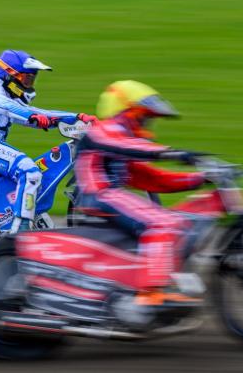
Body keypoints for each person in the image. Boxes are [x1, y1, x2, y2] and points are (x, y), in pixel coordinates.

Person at [74, 80, 210, 305]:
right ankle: (151, 294)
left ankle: (156, 280)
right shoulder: (104, 130)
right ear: (128, 112)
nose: (147, 124)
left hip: (109, 196)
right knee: (165, 222)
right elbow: (130, 147)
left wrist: (200, 179)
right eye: (144, 117)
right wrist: (174, 154)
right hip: (99, 195)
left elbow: (153, 179)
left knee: (178, 221)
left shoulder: (120, 142)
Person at [0, 49, 96, 233]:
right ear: (10, 76)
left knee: (32, 179)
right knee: (29, 171)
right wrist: (33, 115)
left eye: (31, 80)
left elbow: (36, 114)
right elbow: (10, 109)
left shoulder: (11, 98)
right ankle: (20, 229)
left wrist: (77, 117)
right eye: (26, 79)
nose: (29, 84)